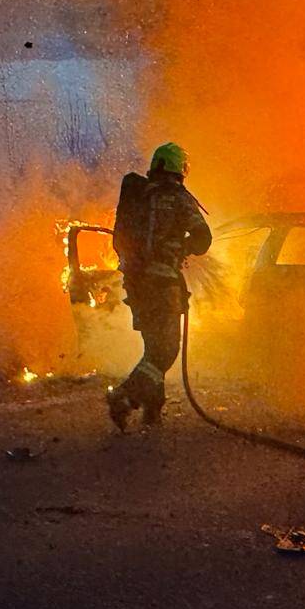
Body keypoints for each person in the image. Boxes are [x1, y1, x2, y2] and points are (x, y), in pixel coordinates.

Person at [105, 142, 211, 431]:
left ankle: (152, 410)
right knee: (166, 350)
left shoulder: (138, 196)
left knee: (153, 346)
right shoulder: (177, 198)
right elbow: (203, 238)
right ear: (177, 167)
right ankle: (125, 396)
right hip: (162, 282)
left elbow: (122, 240)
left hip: (136, 283)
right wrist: (182, 248)